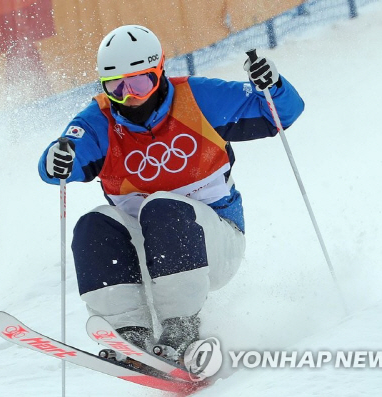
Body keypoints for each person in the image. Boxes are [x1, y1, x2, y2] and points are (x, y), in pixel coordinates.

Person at [38, 25, 304, 360]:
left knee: (162, 207)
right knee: (94, 224)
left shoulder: (198, 98)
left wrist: (273, 87)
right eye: (116, 87)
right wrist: (54, 161)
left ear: (159, 70)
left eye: (139, 82)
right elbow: (65, 157)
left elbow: (280, 113)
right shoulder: (99, 122)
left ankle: (181, 328)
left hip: (214, 243)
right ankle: (129, 331)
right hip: (148, 258)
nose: (130, 96)